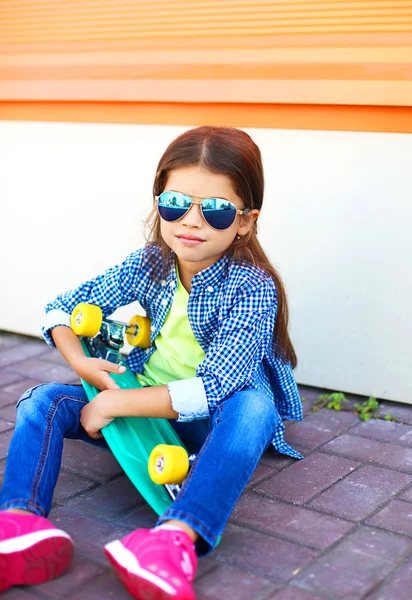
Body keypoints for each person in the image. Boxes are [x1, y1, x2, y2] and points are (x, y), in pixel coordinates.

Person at [0, 126, 303, 599]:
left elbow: (212, 388)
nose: (191, 221)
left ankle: (173, 541)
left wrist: (115, 405)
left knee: (254, 409)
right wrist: (81, 364)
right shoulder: (150, 264)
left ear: (245, 221)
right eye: (175, 203)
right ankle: (19, 527)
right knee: (40, 401)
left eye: (217, 210)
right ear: (159, 203)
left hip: (207, 423)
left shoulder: (251, 287)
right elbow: (61, 308)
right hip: (139, 403)